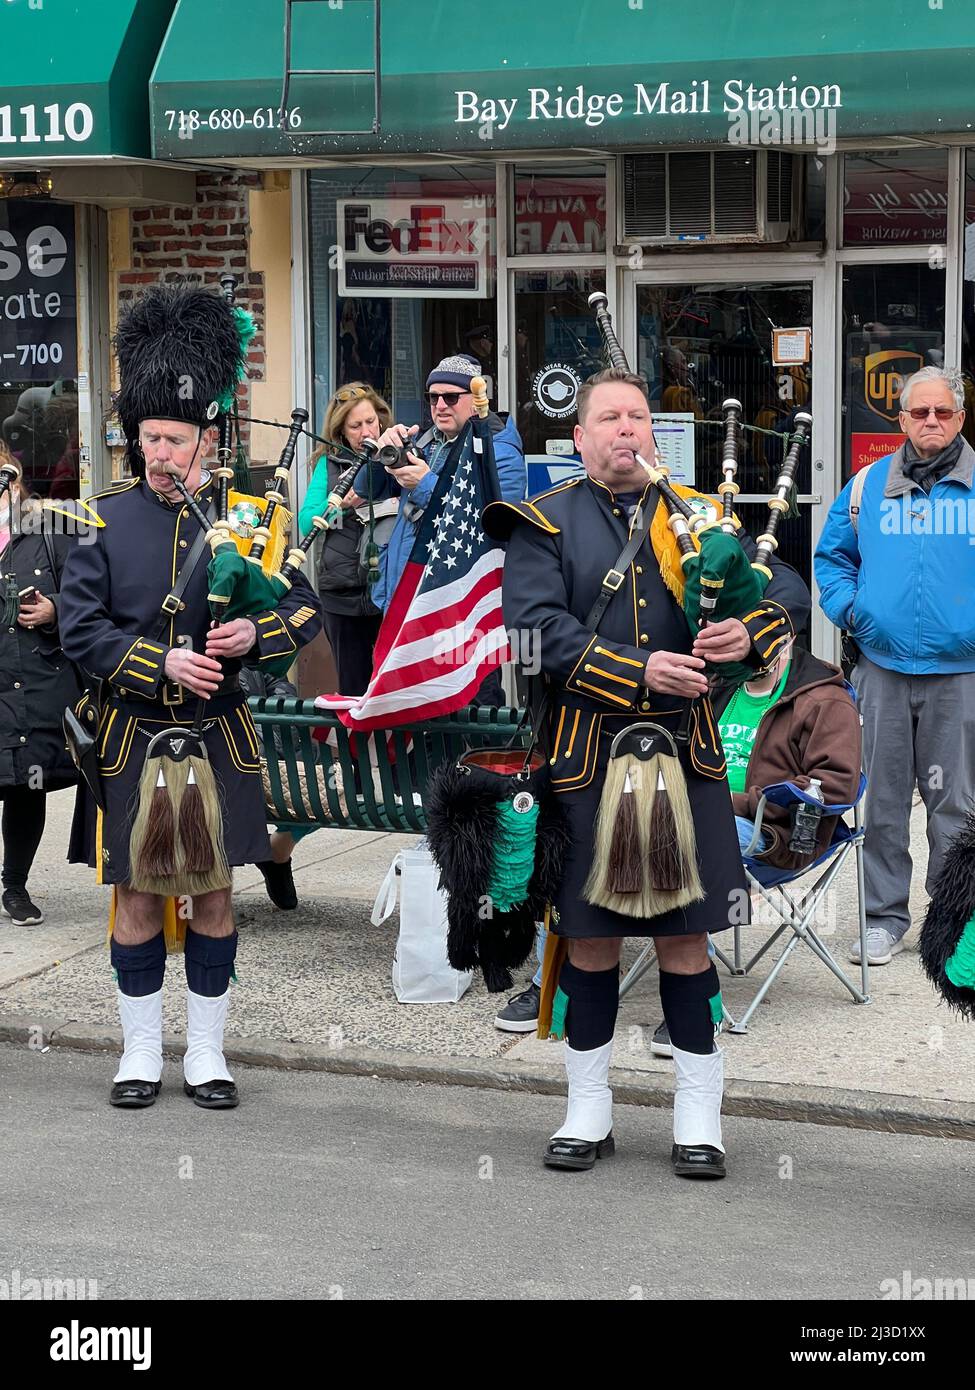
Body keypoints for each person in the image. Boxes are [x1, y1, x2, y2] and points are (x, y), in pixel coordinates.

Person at [483, 367, 810, 1179]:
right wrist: (638, 672)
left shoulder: (698, 515)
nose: (626, 430)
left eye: (637, 417)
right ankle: (585, 1108)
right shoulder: (539, 522)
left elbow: (789, 595)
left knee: (684, 941)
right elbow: (532, 634)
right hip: (586, 760)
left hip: (683, 759)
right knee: (587, 942)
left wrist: (752, 632)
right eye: (609, 418)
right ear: (580, 437)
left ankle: (698, 1116)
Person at [59, 285, 322, 1111]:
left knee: (213, 892)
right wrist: (159, 664)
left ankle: (207, 1054)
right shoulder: (98, 520)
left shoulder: (251, 519)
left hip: (217, 735)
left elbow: (303, 607)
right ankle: (139, 1053)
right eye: (148, 439)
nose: (159, 455)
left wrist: (255, 638)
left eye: (174, 440)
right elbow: (80, 631)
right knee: (136, 895)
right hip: (132, 737)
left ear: (207, 439)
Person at [815, 365, 975, 967]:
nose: (930, 422)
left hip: (960, 674)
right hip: (880, 670)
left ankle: (953, 919)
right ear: (901, 419)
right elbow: (832, 558)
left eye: (942, 412)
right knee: (880, 801)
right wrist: (853, 612)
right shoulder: (866, 487)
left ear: (960, 418)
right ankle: (883, 919)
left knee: (956, 804)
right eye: (918, 412)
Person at [650, 636, 862, 1057]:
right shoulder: (718, 686)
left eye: (765, 638)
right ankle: (567, 981)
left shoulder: (823, 699)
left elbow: (835, 786)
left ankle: (693, 1006)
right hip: (690, 812)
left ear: (788, 639)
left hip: (774, 833)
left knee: (685, 842)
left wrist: (734, 803)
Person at [355, 353, 526, 706]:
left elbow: (493, 521)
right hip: (410, 602)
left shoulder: (502, 451)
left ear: (476, 400)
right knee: (415, 715)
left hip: (465, 607)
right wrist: (382, 451)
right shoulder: (427, 443)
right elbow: (365, 491)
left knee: (472, 707)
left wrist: (425, 483)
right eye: (433, 398)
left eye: (451, 397)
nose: (440, 406)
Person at [0, 442, 83, 925]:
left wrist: (56, 609)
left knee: (23, 787)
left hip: (33, 682)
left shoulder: (50, 528)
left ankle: (15, 885)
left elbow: (88, 596)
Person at [300, 382, 391, 697]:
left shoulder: (395, 455)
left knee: (391, 686)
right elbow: (306, 521)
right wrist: (339, 506)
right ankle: (362, 748)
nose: (366, 431)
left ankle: (397, 749)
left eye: (370, 422)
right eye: (356, 426)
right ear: (341, 432)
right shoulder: (330, 464)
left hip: (388, 591)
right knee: (353, 688)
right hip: (342, 593)